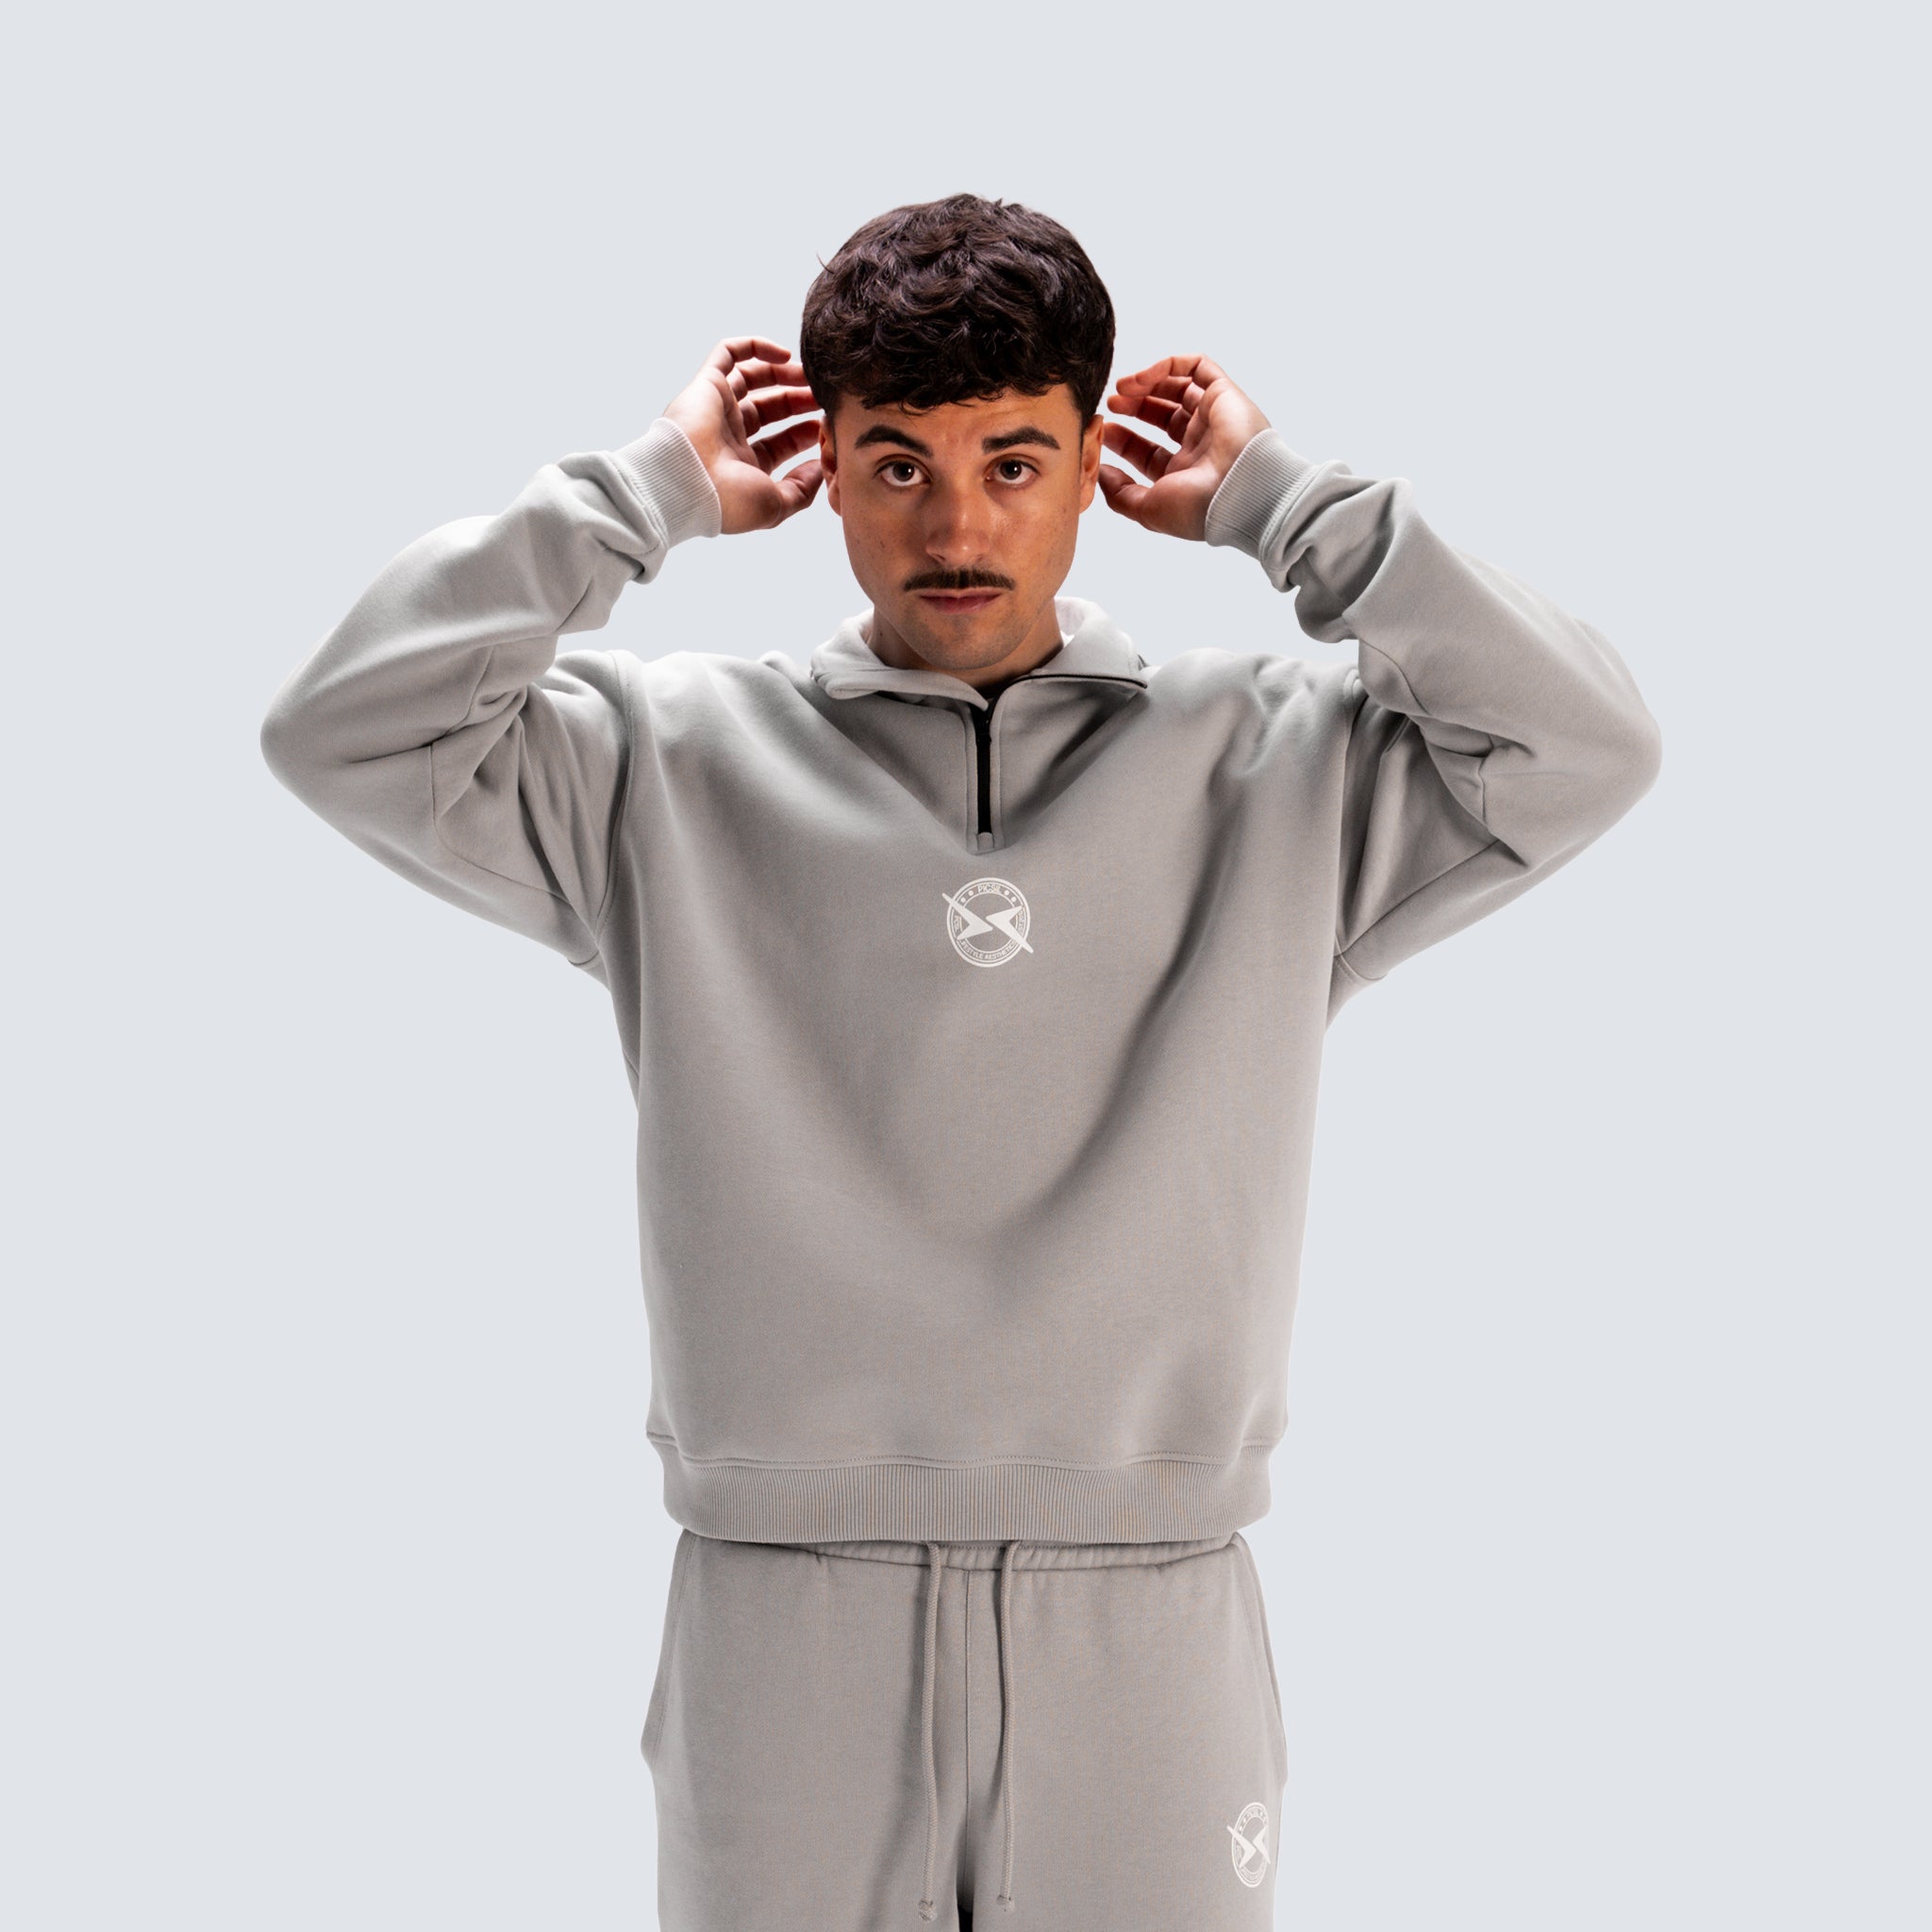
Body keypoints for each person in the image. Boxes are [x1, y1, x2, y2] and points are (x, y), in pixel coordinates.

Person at [258, 192, 1662, 1929]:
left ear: (1093, 464)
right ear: (826, 474)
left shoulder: (1282, 769)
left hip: (1149, 1611)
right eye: (898, 464)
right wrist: (646, 491)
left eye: (1013, 461)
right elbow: (346, 729)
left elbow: (1586, 746)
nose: (957, 524)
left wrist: (1285, 505)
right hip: (782, 1618)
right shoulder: (656, 766)